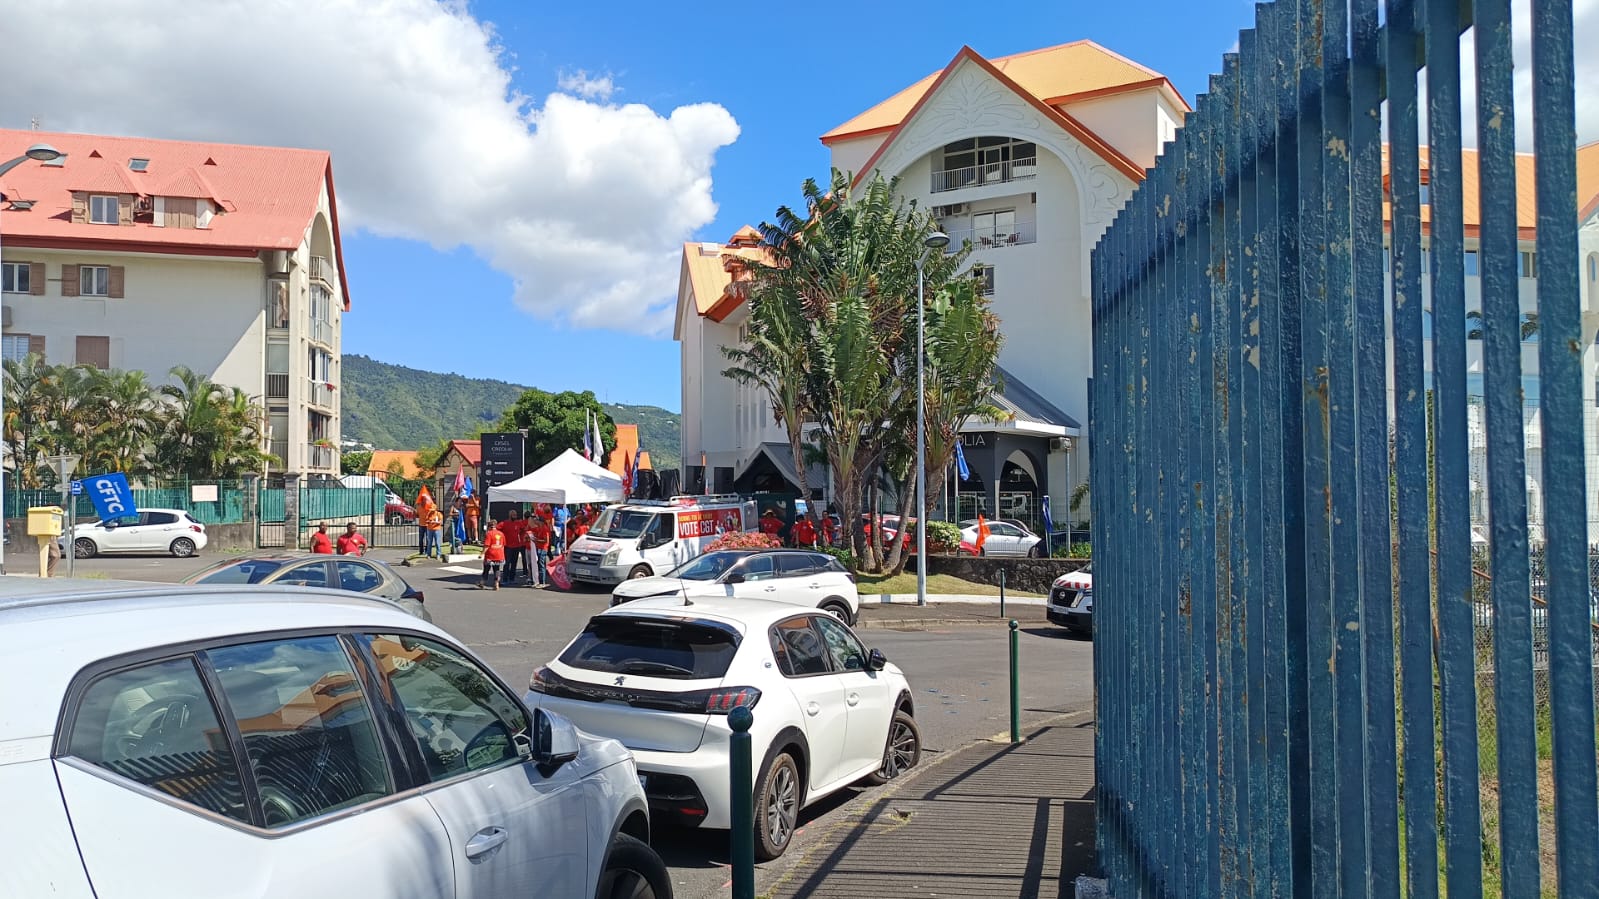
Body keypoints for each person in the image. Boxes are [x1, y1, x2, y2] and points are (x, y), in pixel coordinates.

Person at [501, 509, 528, 583]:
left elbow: (524, 529)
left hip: (516, 546)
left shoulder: (518, 523)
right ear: (510, 515)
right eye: (513, 515)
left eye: (515, 515)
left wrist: (521, 534)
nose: (515, 516)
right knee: (507, 563)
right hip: (507, 546)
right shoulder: (504, 523)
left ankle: (512, 578)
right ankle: (505, 579)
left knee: (514, 563)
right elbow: (497, 529)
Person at [480, 519, 506, 590]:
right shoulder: (501, 533)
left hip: (490, 555)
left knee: (486, 569)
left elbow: (487, 545)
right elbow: (503, 544)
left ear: (489, 526)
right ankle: (496, 584)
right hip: (499, 555)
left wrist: (482, 553)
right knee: (497, 569)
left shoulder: (489, 534)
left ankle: (482, 582)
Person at [528, 513, 552, 587]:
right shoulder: (540, 528)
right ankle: (539, 581)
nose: (536, 521)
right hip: (539, 547)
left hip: (543, 548)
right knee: (540, 564)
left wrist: (536, 540)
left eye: (537, 520)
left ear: (541, 521)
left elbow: (546, 540)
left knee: (541, 565)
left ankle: (542, 582)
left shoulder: (545, 528)